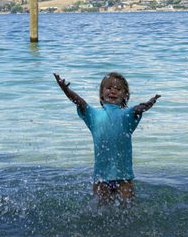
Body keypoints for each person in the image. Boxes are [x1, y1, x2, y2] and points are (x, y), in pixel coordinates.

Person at [53, 72, 160, 206]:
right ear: (101, 94)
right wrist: (66, 90)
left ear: (125, 96)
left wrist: (147, 104)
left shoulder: (128, 114)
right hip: (101, 177)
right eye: (109, 88)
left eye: (118, 89)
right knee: (100, 211)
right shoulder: (93, 114)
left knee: (128, 210)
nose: (113, 91)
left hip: (124, 177)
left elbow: (138, 109)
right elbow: (79, 102)